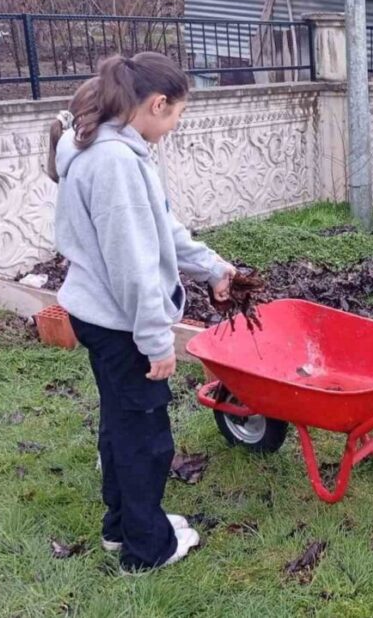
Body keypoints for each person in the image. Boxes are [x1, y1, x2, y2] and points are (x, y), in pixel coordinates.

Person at [47, 52, 236, 573]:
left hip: (100, 314)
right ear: (156, 104)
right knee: (146, 436)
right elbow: (133, 266)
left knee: (121, 422)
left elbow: (161, 231)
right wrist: (156, 340)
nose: (175, 125)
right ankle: (146, 548)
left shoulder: (110, 147)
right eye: (176, 114)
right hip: (120, 321)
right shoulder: (115, 164)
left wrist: (214, 267)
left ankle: (123, 526)